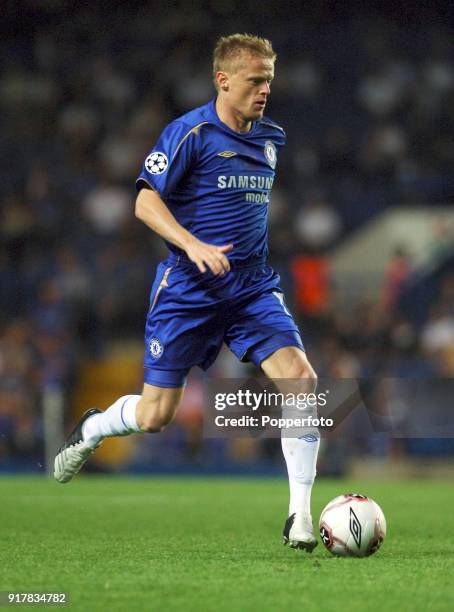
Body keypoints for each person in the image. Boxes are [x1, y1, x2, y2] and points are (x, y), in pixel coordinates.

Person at [54, 34, 319, 552]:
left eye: (269, 78)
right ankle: (93, 428)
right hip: (188, 291)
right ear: (223, 80)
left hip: (250, 289)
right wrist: (191, 243)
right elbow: (145, 203)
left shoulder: (272, 138)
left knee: (303, 382)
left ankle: (300, 518)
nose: (265, 89)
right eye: (255, 80)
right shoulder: (190, 132)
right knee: (156, 416)